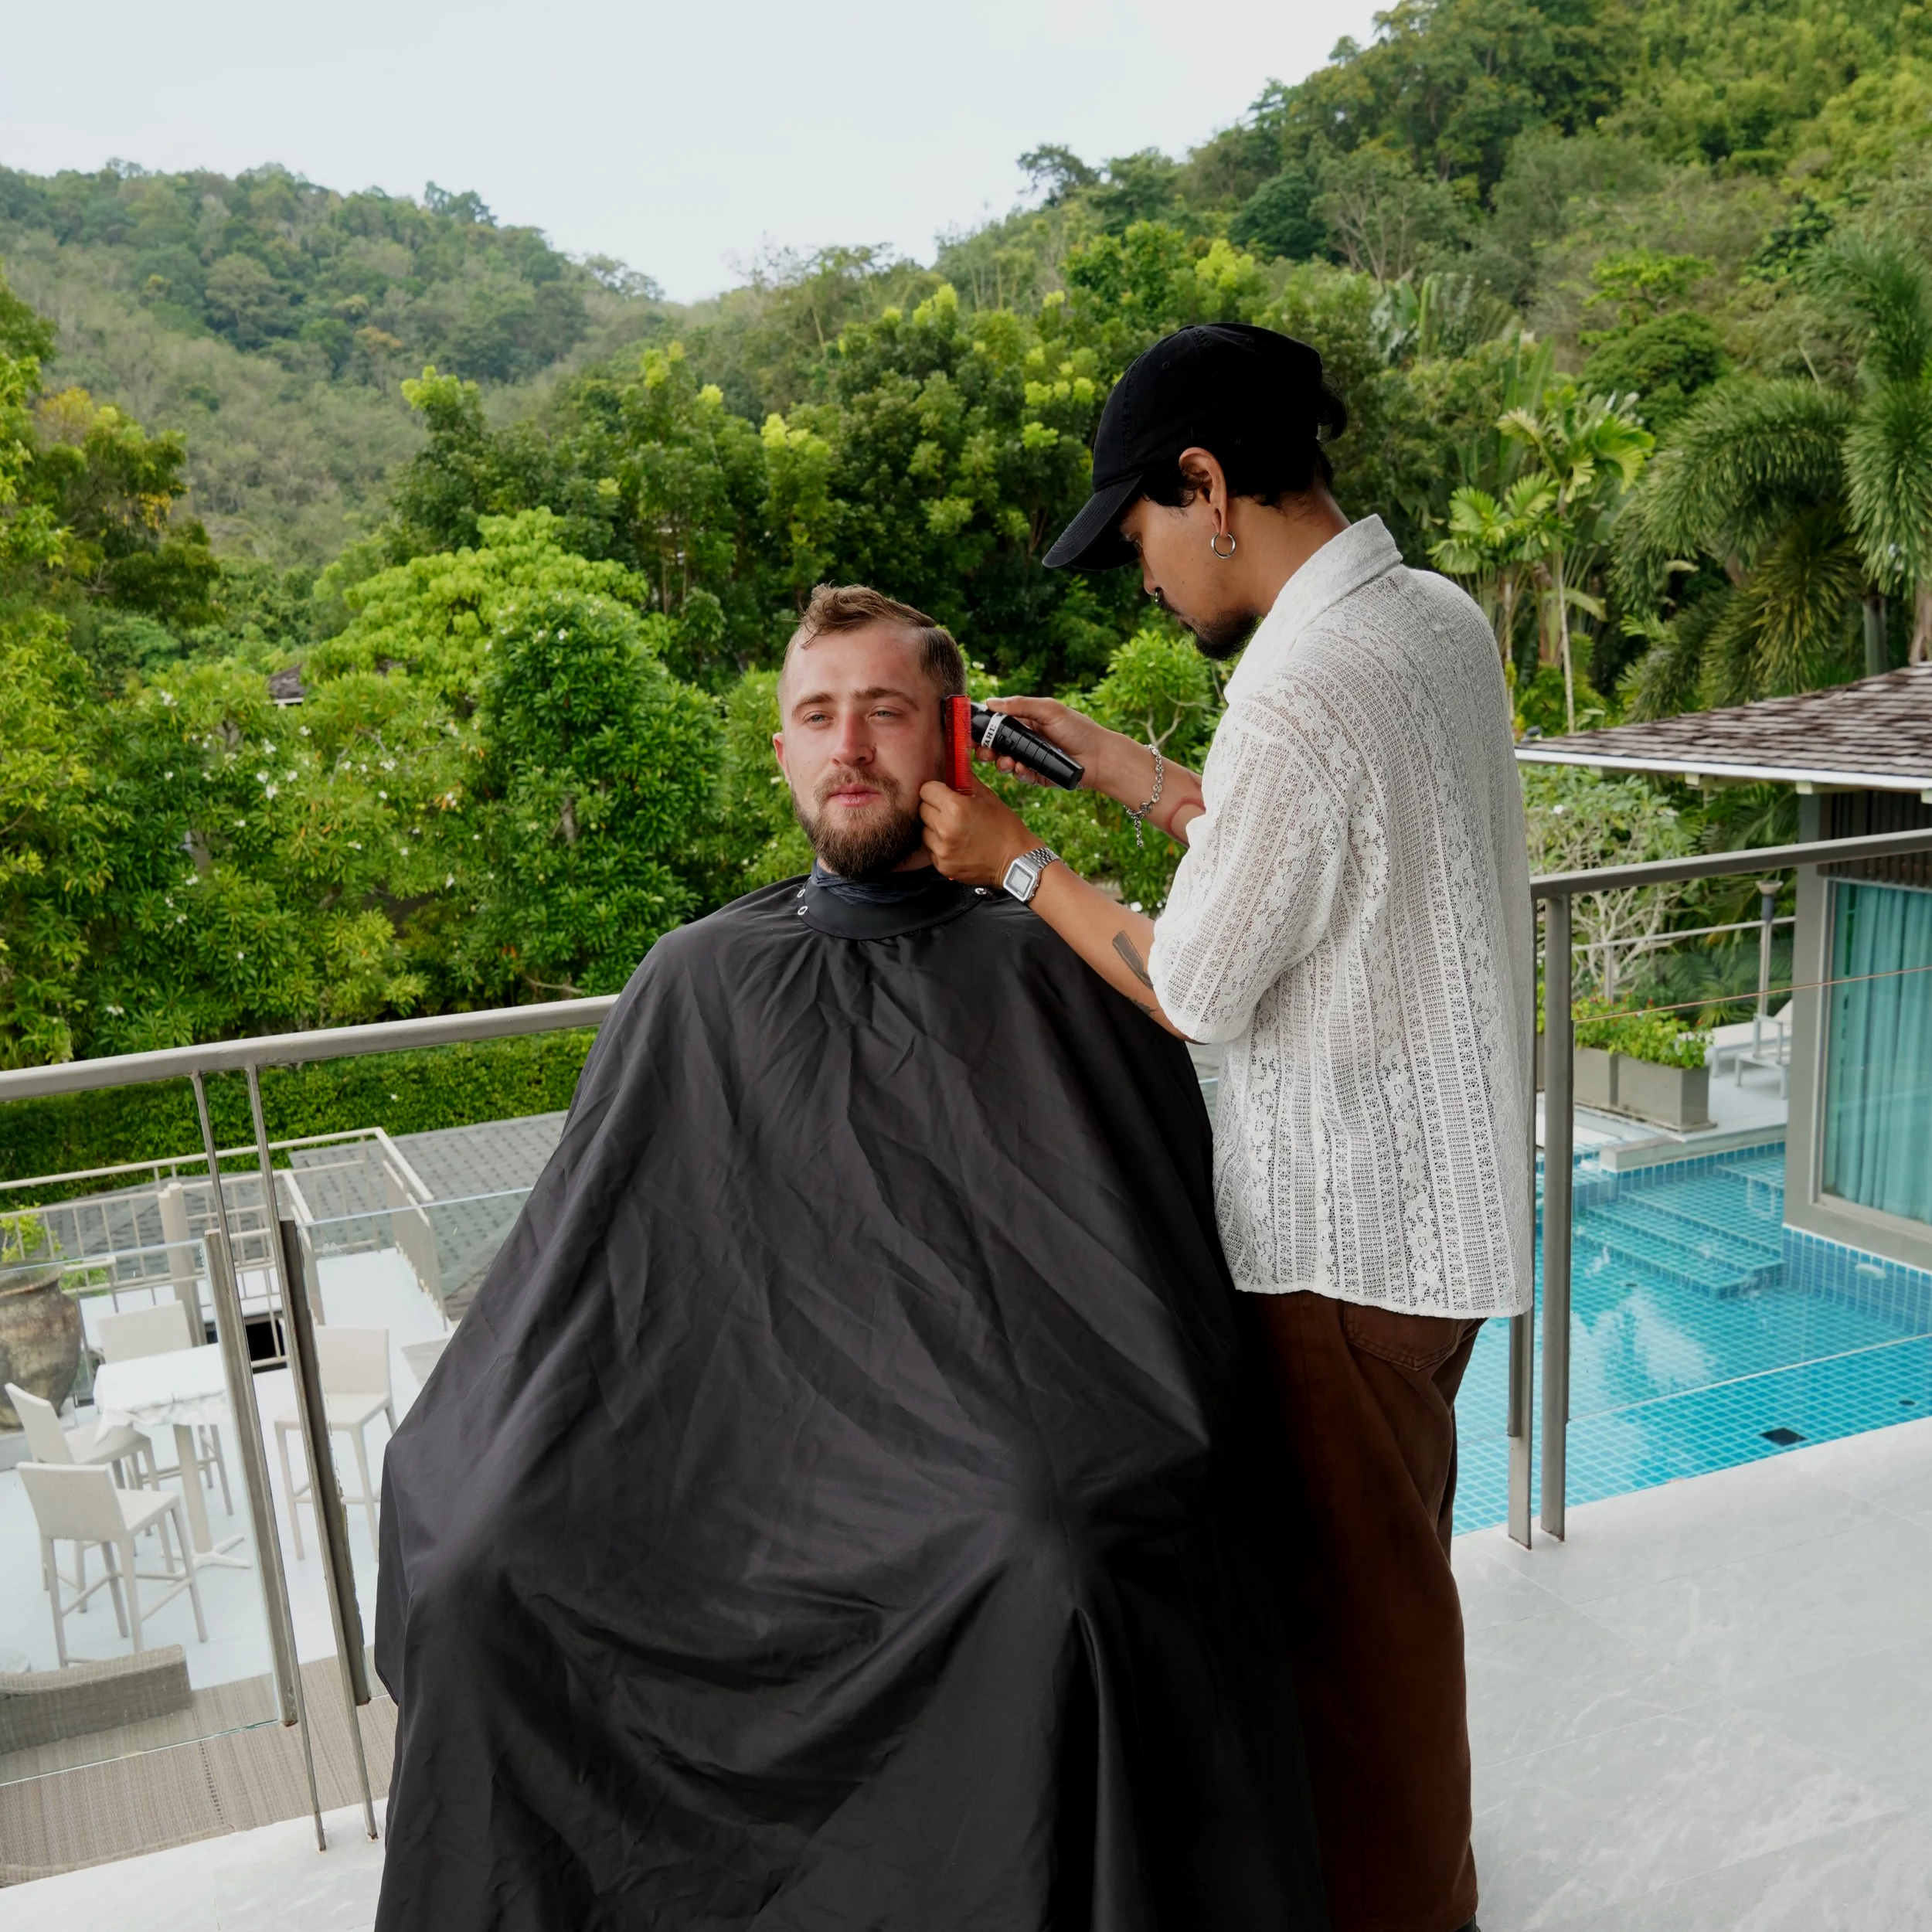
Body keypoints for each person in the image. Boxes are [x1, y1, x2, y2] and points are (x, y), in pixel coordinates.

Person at [372, 583, 1329, 1932]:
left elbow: (1140, 1279)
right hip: (727, 1453)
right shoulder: (692, 981)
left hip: (975, 1446)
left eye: (884, 713)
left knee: (1045, 1554)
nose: (850, 748)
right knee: (479, 1571)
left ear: (951, 736)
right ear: (781, 753)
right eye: (817, 718)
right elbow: (582, 1282)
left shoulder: (1054, 965)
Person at [920, 324, 1534, 1932]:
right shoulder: (1429, 622)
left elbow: (1189, 982)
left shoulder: (1295, 686)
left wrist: (1009, 859)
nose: (1140, 577)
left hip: (1338, 1253)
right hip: (1432, 1232)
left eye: (1134, 535)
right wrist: (1131, 775)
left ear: (1202, 486)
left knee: (1367, 1669)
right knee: (1388, 1606)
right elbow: (1318, 837)